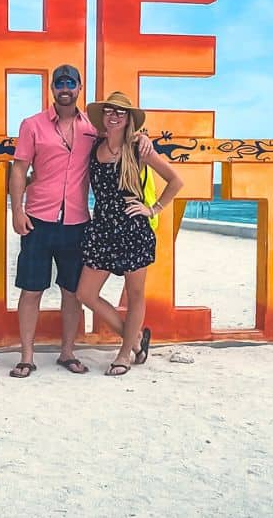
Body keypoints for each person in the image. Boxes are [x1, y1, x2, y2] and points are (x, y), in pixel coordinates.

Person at [8, 65, 152, 378]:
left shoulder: (92, 128)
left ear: (79, 88)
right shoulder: (32, 125)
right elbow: (19, 169)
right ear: (52, 88)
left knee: (72, 292)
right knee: (31, 291)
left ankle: (68, 353)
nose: (65, 87)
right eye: (59, 82)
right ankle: (27, 357)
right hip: (37, 219)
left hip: (77, 223)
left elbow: (121, 135)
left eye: (70, 83)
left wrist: (143, 138)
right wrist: (17, 210)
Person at [76, 91, 184, 377]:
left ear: (128, 120)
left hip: (132, 230)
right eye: (109, 111)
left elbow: (176, 180)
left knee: (135, 296)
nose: (113, 116)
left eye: (120, 113)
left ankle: (124, 353)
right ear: (103, 116)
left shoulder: (138, 149)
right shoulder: (94, 147)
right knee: (85, 293)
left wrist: (153, 209)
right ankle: (135, 339)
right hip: (101, 230)